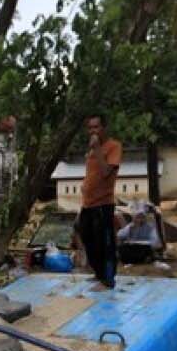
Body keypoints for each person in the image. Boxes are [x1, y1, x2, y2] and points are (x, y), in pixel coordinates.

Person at [76, 113, 122, 289]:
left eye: (96, 127)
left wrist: (96, 149)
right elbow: (92, 174)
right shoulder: (91, 151)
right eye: (90, 128)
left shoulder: (113, 147)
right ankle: (98, 273)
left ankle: (108, 280)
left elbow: (105, 173)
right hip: (88, 203)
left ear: (104, 128)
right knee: (87, 238)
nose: (92, 131)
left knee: (104, 243)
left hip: (103, 204)